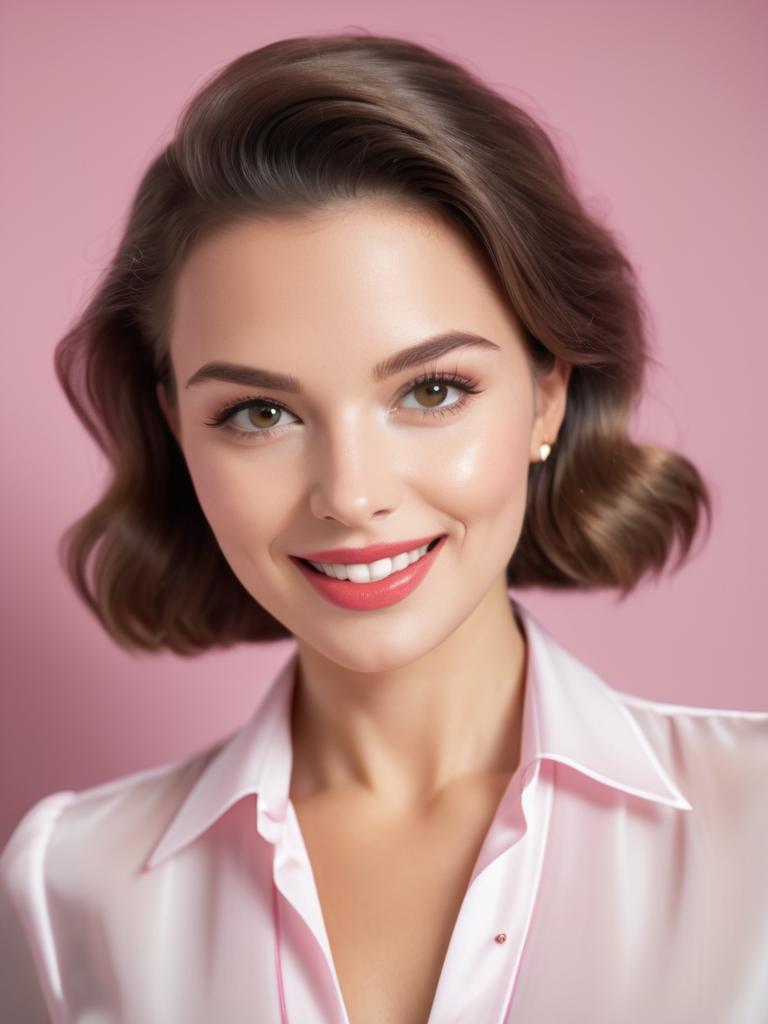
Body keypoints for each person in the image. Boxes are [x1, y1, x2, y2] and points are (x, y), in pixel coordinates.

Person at [1, 31, 766, 1024]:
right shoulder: (71, 891)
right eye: (259, 414)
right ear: (176, 428)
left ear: (545, 395)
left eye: (432, 389)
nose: (350, 495)